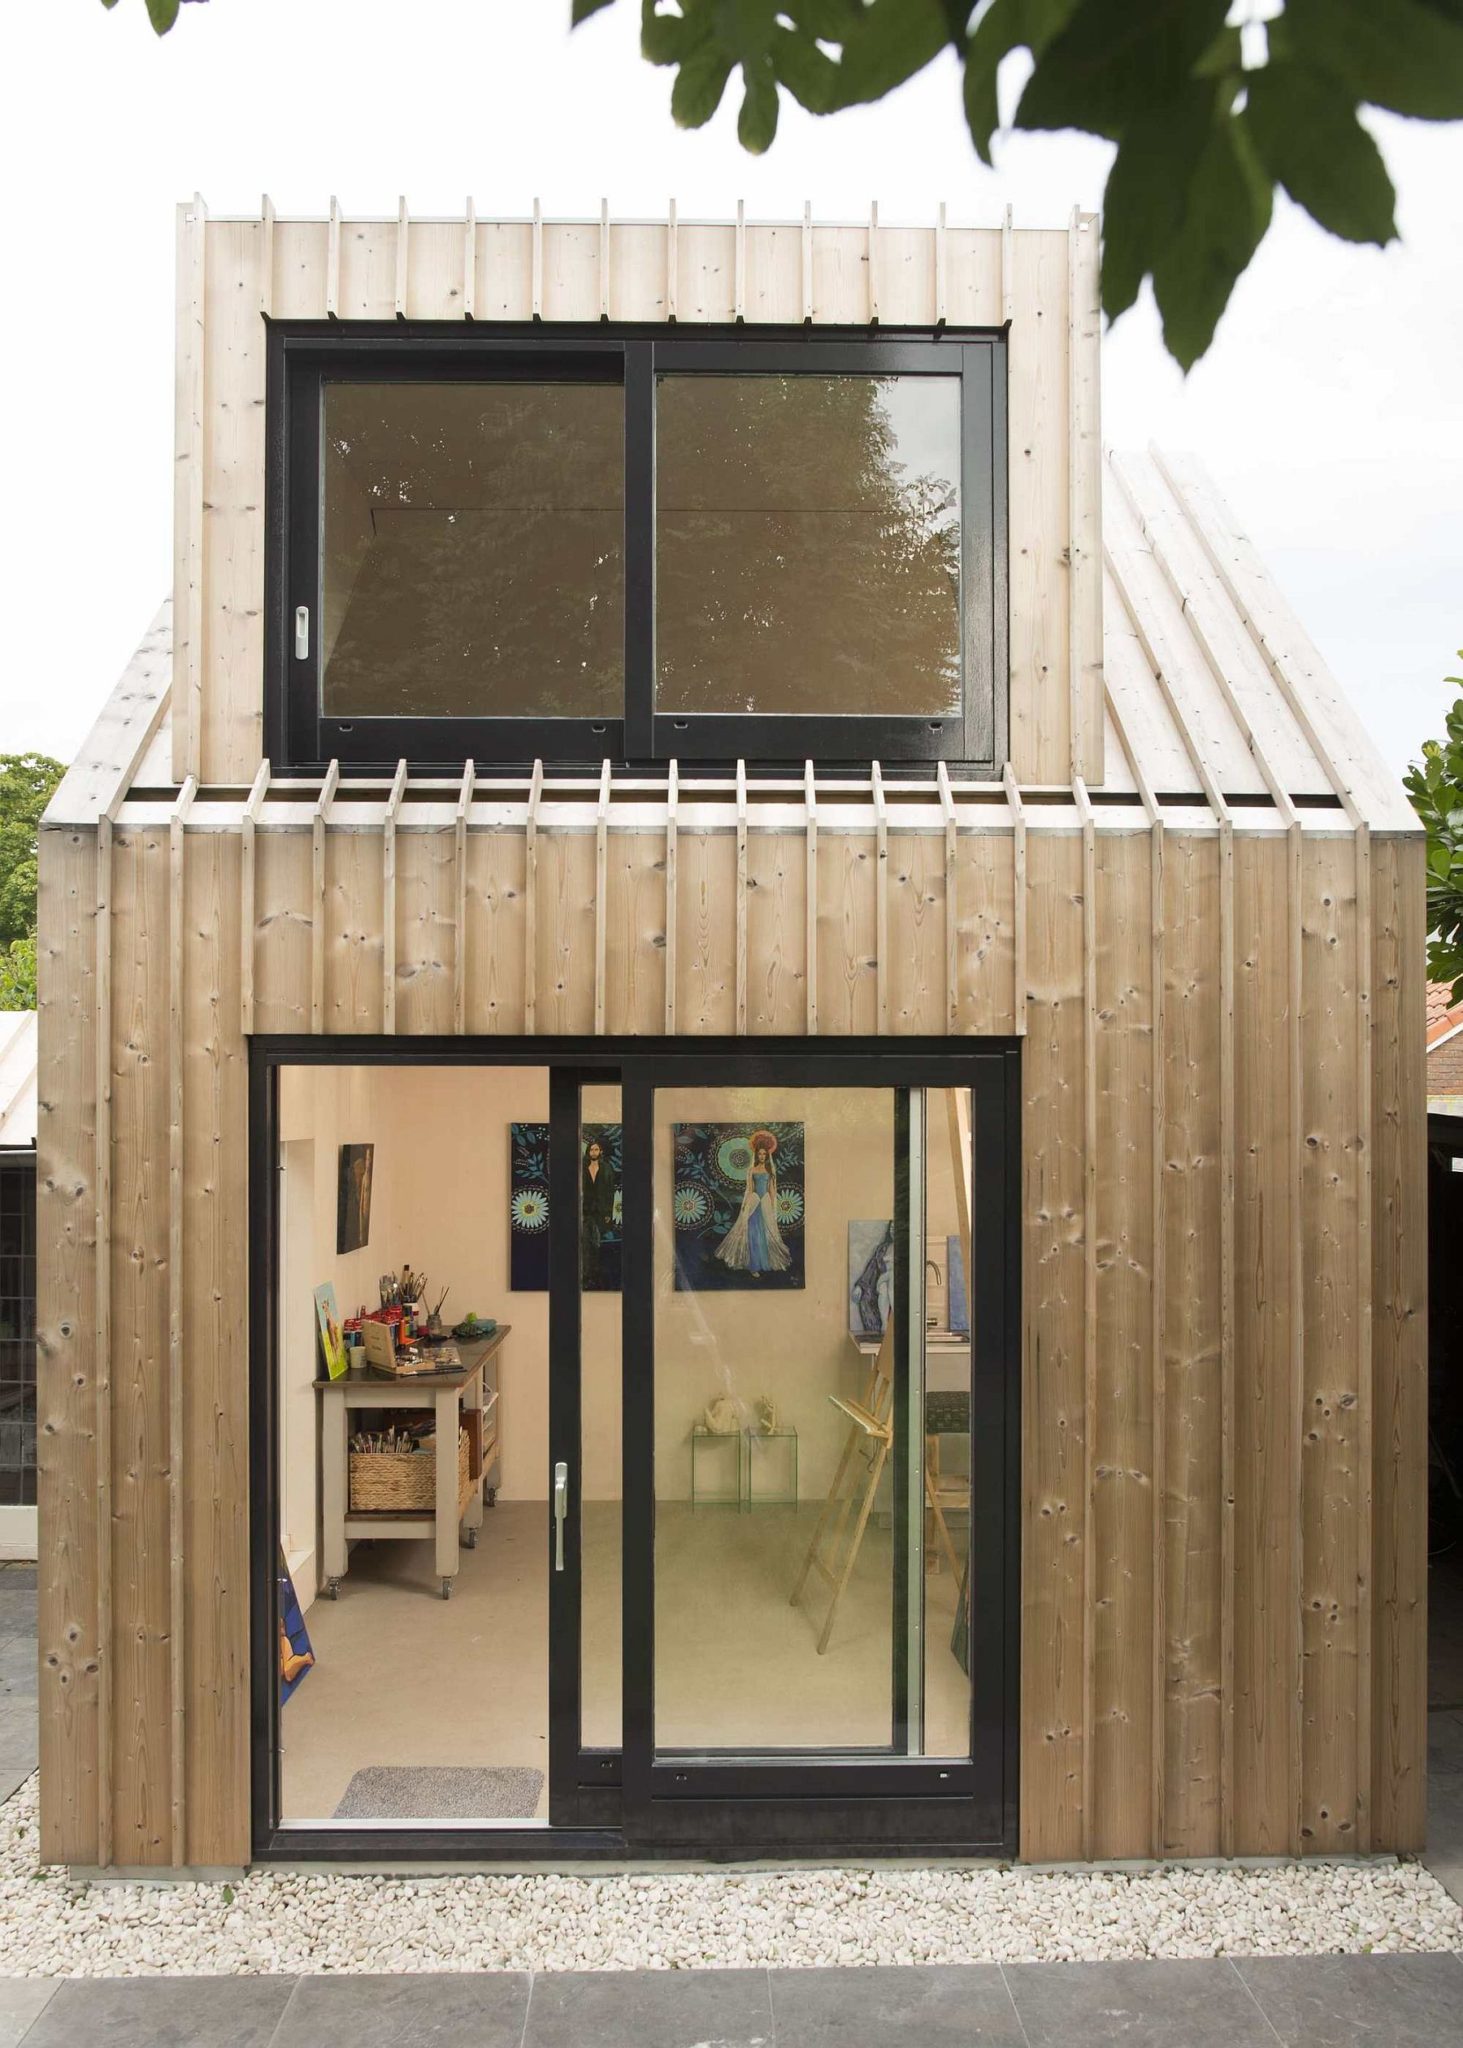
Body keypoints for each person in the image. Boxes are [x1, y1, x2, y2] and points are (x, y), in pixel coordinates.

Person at [715, 1130, 792, 1278]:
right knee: (753, 1233)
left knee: (765, 1232)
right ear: (756, 1155)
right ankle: (754, 1265)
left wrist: (773, 1208)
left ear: (767, 1155)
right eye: (760, 1154)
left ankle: (764, 1262)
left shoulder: (770, 1171)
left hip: (765, 1204)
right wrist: (745, 1205)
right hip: (754, 1202)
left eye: (764, 1154)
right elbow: (749, 1189)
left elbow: (772, 1190)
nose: (762, 1156)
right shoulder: (751, 1170)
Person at [581, 1135, 618, 1287]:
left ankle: (596, 1274)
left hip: (601, 1212)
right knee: (585, 1242)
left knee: (598, 1243)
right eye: (591, 1149)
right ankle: (586, 1274)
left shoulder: (607, 1168)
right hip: (585, 1211)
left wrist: (609, 1214)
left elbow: (610, 1192)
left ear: (600, 1151)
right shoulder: (583, 1168)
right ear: (588, 1152)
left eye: (596, 1149)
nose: (594, 1152)